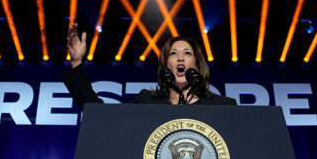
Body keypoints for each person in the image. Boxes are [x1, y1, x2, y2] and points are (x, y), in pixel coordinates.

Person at [61, 23, 236, 109]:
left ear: (197, 67)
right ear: (166, 67)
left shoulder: (223, 106)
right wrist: (76, 62)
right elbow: (99, 115)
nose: (180, 58)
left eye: (187, 53)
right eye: (173, 54)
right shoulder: (147, 101)